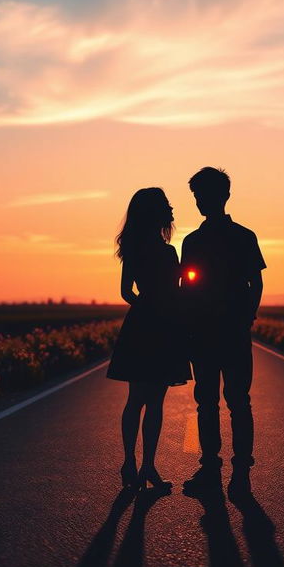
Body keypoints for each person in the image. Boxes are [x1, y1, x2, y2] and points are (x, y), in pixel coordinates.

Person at [180, 167, 266, 497]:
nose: (202, 201)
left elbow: (188, 288)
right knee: (228, 401)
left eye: (204, 195)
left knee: (216, 402)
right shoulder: (243, 236)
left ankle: (221, 469)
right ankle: (233, 471)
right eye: (198, 196)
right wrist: (246, 318)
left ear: (224, 196)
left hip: (214, 332)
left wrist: (245, 319)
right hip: (223, 332)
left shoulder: (197, 241)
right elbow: (255, 283)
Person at [107, 187, 191, 491]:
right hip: (161, 326)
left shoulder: (134, 248)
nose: (171, 210)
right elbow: (177, 289)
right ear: (155, 212)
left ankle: (134, 465)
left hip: (144, 324)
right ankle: (143, 466)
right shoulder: (166, 252)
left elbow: (126, 292)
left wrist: (146, 306)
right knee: (152, 401)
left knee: (138, 400)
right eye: (166, 206)